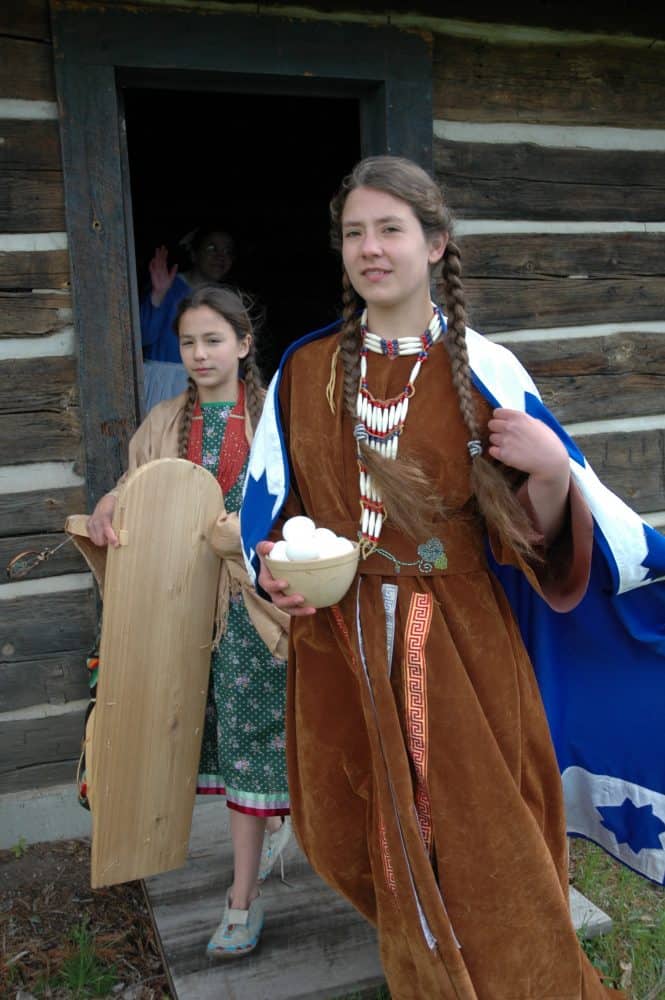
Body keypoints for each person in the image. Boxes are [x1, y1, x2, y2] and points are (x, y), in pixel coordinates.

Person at [238, 156, 651, 997]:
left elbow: (538, 541)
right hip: (340, 648)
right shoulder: (304, 371)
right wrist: (271, 568)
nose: (369, 249)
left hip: (461, 652)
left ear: (434, 244)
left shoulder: (487, 370)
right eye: (354, 233)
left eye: (389, 229)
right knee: (355, 837)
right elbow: (267, 507)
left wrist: (548, 473)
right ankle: (428, 971)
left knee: (489, 852)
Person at [87, 284, 292, 959]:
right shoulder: (164, 423)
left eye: (212, 340)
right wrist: (113, 501)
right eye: (187, 343)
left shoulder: (273, 423)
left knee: (252, 747)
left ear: (243, 344)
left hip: (255, 615)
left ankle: (241, 901)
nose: (199, 354)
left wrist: (254, 534)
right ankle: (236, 843)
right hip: (180, 612)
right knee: (181, 736)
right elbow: (139, 486)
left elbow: (303, 510)